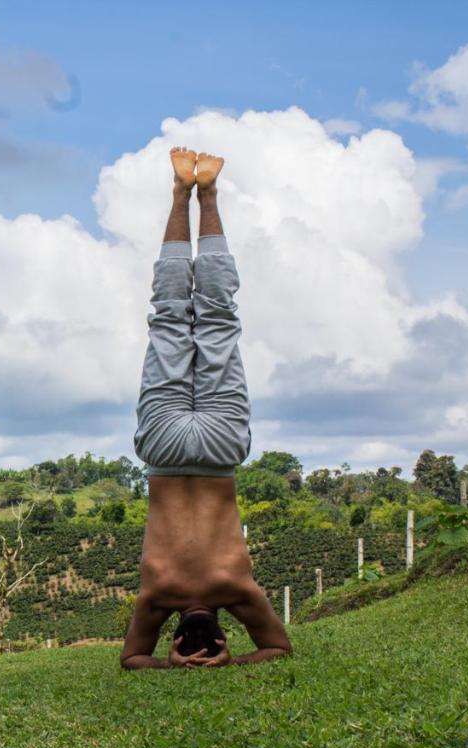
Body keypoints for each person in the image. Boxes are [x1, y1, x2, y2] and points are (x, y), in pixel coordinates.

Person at [120, 147, 292, 670]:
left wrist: (228, 662)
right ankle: (182, 192)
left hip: (218, 452)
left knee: (217, 318)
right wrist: (171, 664)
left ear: (223, 632)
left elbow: (278, 650)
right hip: (167, 454)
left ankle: (208, 192)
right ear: (181, 632)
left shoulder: (236, 589)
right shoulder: (158, 598)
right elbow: (132, 659)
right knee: (170, 318)